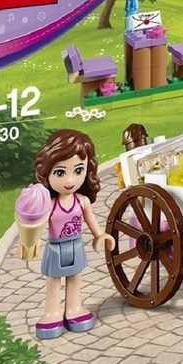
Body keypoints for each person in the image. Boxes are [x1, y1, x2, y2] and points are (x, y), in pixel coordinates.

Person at [32, 129, 114, 339]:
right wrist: (32, 240)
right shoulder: (50, 204)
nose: (70, 179)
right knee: (53, 281)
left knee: (75, 278)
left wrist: (100, 235)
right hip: (55, 247)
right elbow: (39, 224)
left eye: (78, 170)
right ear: (46, 172)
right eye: (60, 173)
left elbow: (91, 220)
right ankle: (51, 312)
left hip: (76, 244)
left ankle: (74, 308)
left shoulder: (82, 201)